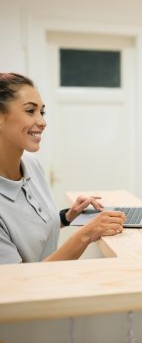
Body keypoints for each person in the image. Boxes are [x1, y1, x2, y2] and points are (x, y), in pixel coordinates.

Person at [0, 73, 126, 263]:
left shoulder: (31, 164)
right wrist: (85, 235)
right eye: (29, 111)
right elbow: (20, 283)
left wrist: (68, 216)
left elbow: (32, 231)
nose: (42, 122)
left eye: (41, 112)